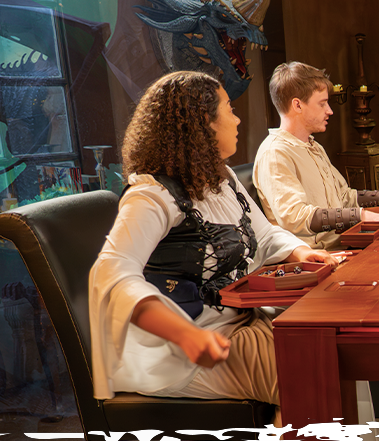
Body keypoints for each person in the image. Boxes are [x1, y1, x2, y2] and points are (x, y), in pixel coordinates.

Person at [87, 71, 335, 406]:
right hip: (181, 349)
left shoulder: (223, 179)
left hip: (239, 321)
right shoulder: (151, 195)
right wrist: (185, 334)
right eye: (229, 109)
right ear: (203, 123)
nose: (237, 119)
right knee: (312, 375)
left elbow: (264, 235)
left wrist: (301, 253)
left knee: (331, 346)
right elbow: (112, 274)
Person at [254, 61, 379, 250]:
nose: (330, 111)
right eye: (322, 104)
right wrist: (360, 215)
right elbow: (295, 217)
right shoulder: (275, 153)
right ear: (298, 105)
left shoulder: (313, 146)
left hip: (342, 246)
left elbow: (343, 196)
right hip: (319, 257)